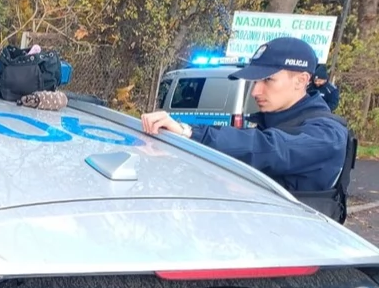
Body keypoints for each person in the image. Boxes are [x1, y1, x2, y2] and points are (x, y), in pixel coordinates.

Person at [140, 37, 349, 201]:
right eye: (255, 81)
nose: (255, 91)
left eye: (268, 80)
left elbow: (270, 148)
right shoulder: (275, 120)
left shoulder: (327, 134)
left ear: (301, 80)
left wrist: (189, 133)